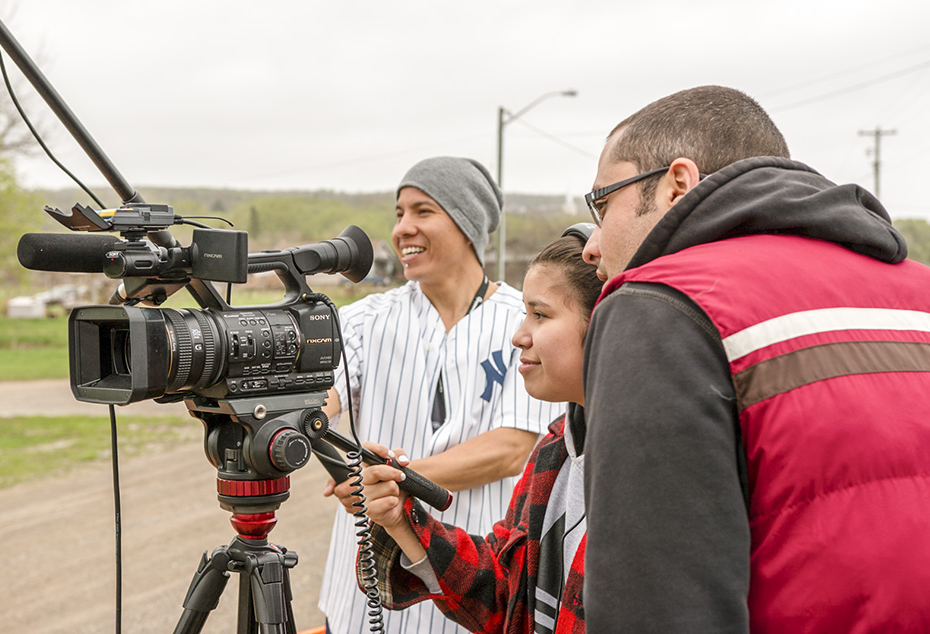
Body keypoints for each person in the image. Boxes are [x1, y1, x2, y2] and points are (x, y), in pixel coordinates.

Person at [579, 85, 930, 632]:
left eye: (603, 203)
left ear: (678, 184)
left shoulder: (660, 305)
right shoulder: (919, 293)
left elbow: (656, 606)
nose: (591, 244)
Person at [317, 156, 563, 634]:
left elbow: (512, 448)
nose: (402, 229)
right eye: (398, 213)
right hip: (363, 594)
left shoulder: (524, 319)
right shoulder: (366, 318)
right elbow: (317, 403)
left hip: (470, 586)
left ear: (467, 223)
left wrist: (388, 483)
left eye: (423, 211)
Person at [354, 228, 602, 634]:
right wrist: (403, 520)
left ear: (605, 323)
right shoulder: (556, 450)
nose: (519, 335)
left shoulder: (650, 474)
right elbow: (505, 594)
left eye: (540, 315)